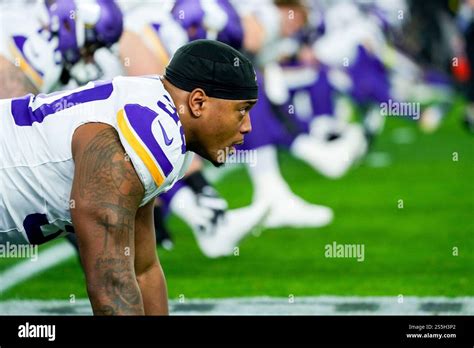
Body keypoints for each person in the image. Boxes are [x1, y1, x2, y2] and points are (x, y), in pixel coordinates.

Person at [0, 39, 258, 315]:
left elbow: (142, 270)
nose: (247, 126)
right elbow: (111, 283)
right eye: (241, 110)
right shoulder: (139, 138)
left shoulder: (160, 127)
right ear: (197, 102)